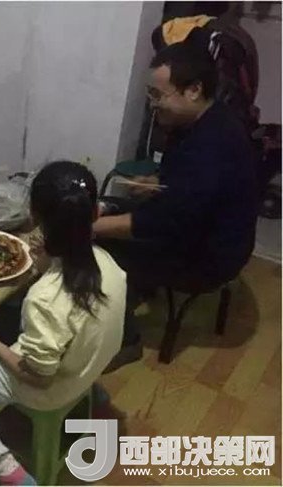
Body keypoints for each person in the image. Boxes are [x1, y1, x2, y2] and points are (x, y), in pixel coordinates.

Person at [0, 161, 126, 485]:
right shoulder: (109, 263)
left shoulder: (45, 299)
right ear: (95, 213)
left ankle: (15, 476)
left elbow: (39, 378)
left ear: (33, 215)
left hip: (48, 387)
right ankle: (93, 394)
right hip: (90, 364)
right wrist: (50, 259)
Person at [94, 42, 258, 370]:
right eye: (150, 94)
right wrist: (155, 182)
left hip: (210, 256)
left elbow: (163, 222)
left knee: (101, 246)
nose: (152, 103)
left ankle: (126, 340)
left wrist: (87, 227)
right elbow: (182, 191)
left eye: (158, 95)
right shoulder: (203, 119)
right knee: (109, 206)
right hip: (196, 227)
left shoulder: (213, 147)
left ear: (193, 90)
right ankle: (136, 288)